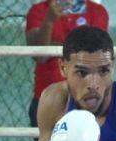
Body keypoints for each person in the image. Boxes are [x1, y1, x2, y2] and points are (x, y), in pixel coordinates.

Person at [25, 0, 109, 130]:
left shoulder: (97, 11)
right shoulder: (39, 10)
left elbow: (94, 51)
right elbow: (39, 55)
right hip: (48, 99)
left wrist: (56, 47)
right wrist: (49, 21)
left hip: (87, 97)